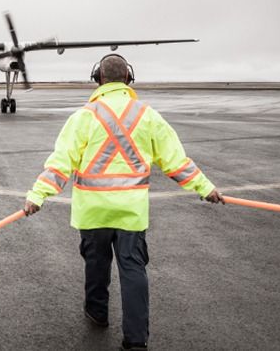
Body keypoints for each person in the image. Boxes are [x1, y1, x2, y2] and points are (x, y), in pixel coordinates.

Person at [23, 54, 223, 351]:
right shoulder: (148, 116)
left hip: (93, 211)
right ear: (128, 77)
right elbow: (176, 162)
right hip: (130, 212)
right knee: (133, 270)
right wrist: (205, 188)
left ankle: (97, 312)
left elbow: (60, 165)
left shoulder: (83, 117)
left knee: (96, 263)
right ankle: (135, 341)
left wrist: (37, 196)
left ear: (98, 79)